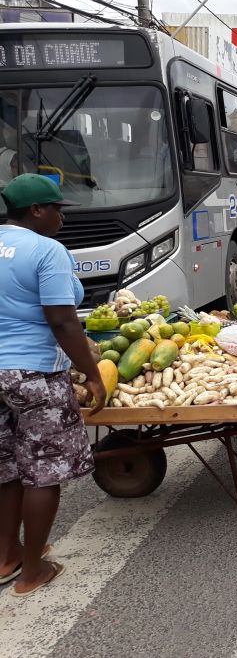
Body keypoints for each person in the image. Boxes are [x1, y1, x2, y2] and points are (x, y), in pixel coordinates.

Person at [0, 173, 105, 596]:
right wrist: (92, 374)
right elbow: (62, 319)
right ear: (37, 211)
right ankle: (31, 572)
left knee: (5, 467)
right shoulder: (47, 250)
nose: (62, 217)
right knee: (43, 471)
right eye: (58, 209)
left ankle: (7, 555)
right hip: (33, 373)